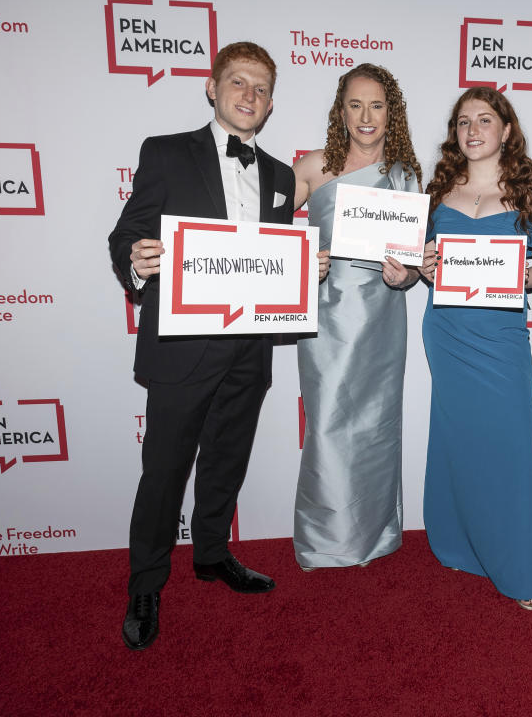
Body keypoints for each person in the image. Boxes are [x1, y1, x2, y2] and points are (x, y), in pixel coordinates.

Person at [110, 42, 328, 650]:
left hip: (249, 349)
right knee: (164, 472)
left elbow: (275, 259)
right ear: (212, 87)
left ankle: (211, 554)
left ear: (271, 102)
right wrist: (136, 260)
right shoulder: (166, 152)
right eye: (237, 83)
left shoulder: (284, 177)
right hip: (182, 347)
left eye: (260, 88)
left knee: (227, 458)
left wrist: (307, 269)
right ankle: (146, 583)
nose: (248, 96)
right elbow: (128, 232)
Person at [420, 87, 532, 610]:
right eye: (462, 123)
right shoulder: (436, 193)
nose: (472, 131)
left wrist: (527, 273)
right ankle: (459, 544)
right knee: (457, 441)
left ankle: (517, 569)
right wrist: (422, 268)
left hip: (500, 339)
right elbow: (415, 265)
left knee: (510, 448)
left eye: (483, 120)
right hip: (447, 334)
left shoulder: (530, 193)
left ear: (505, 129)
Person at [291, 63, 423, 570]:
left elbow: (412, 268)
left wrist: (404, 278)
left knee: (376, 427)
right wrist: (305, 264)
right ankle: (326, 539)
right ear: (340, 109)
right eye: (355, 104)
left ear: (392, 112)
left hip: (383, 318)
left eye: (377, 105)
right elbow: (267, 242)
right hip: (327, 319)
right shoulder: (311, 167)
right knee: (326, 425)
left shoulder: (406, 174)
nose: (365, 116)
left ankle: (375, 534)